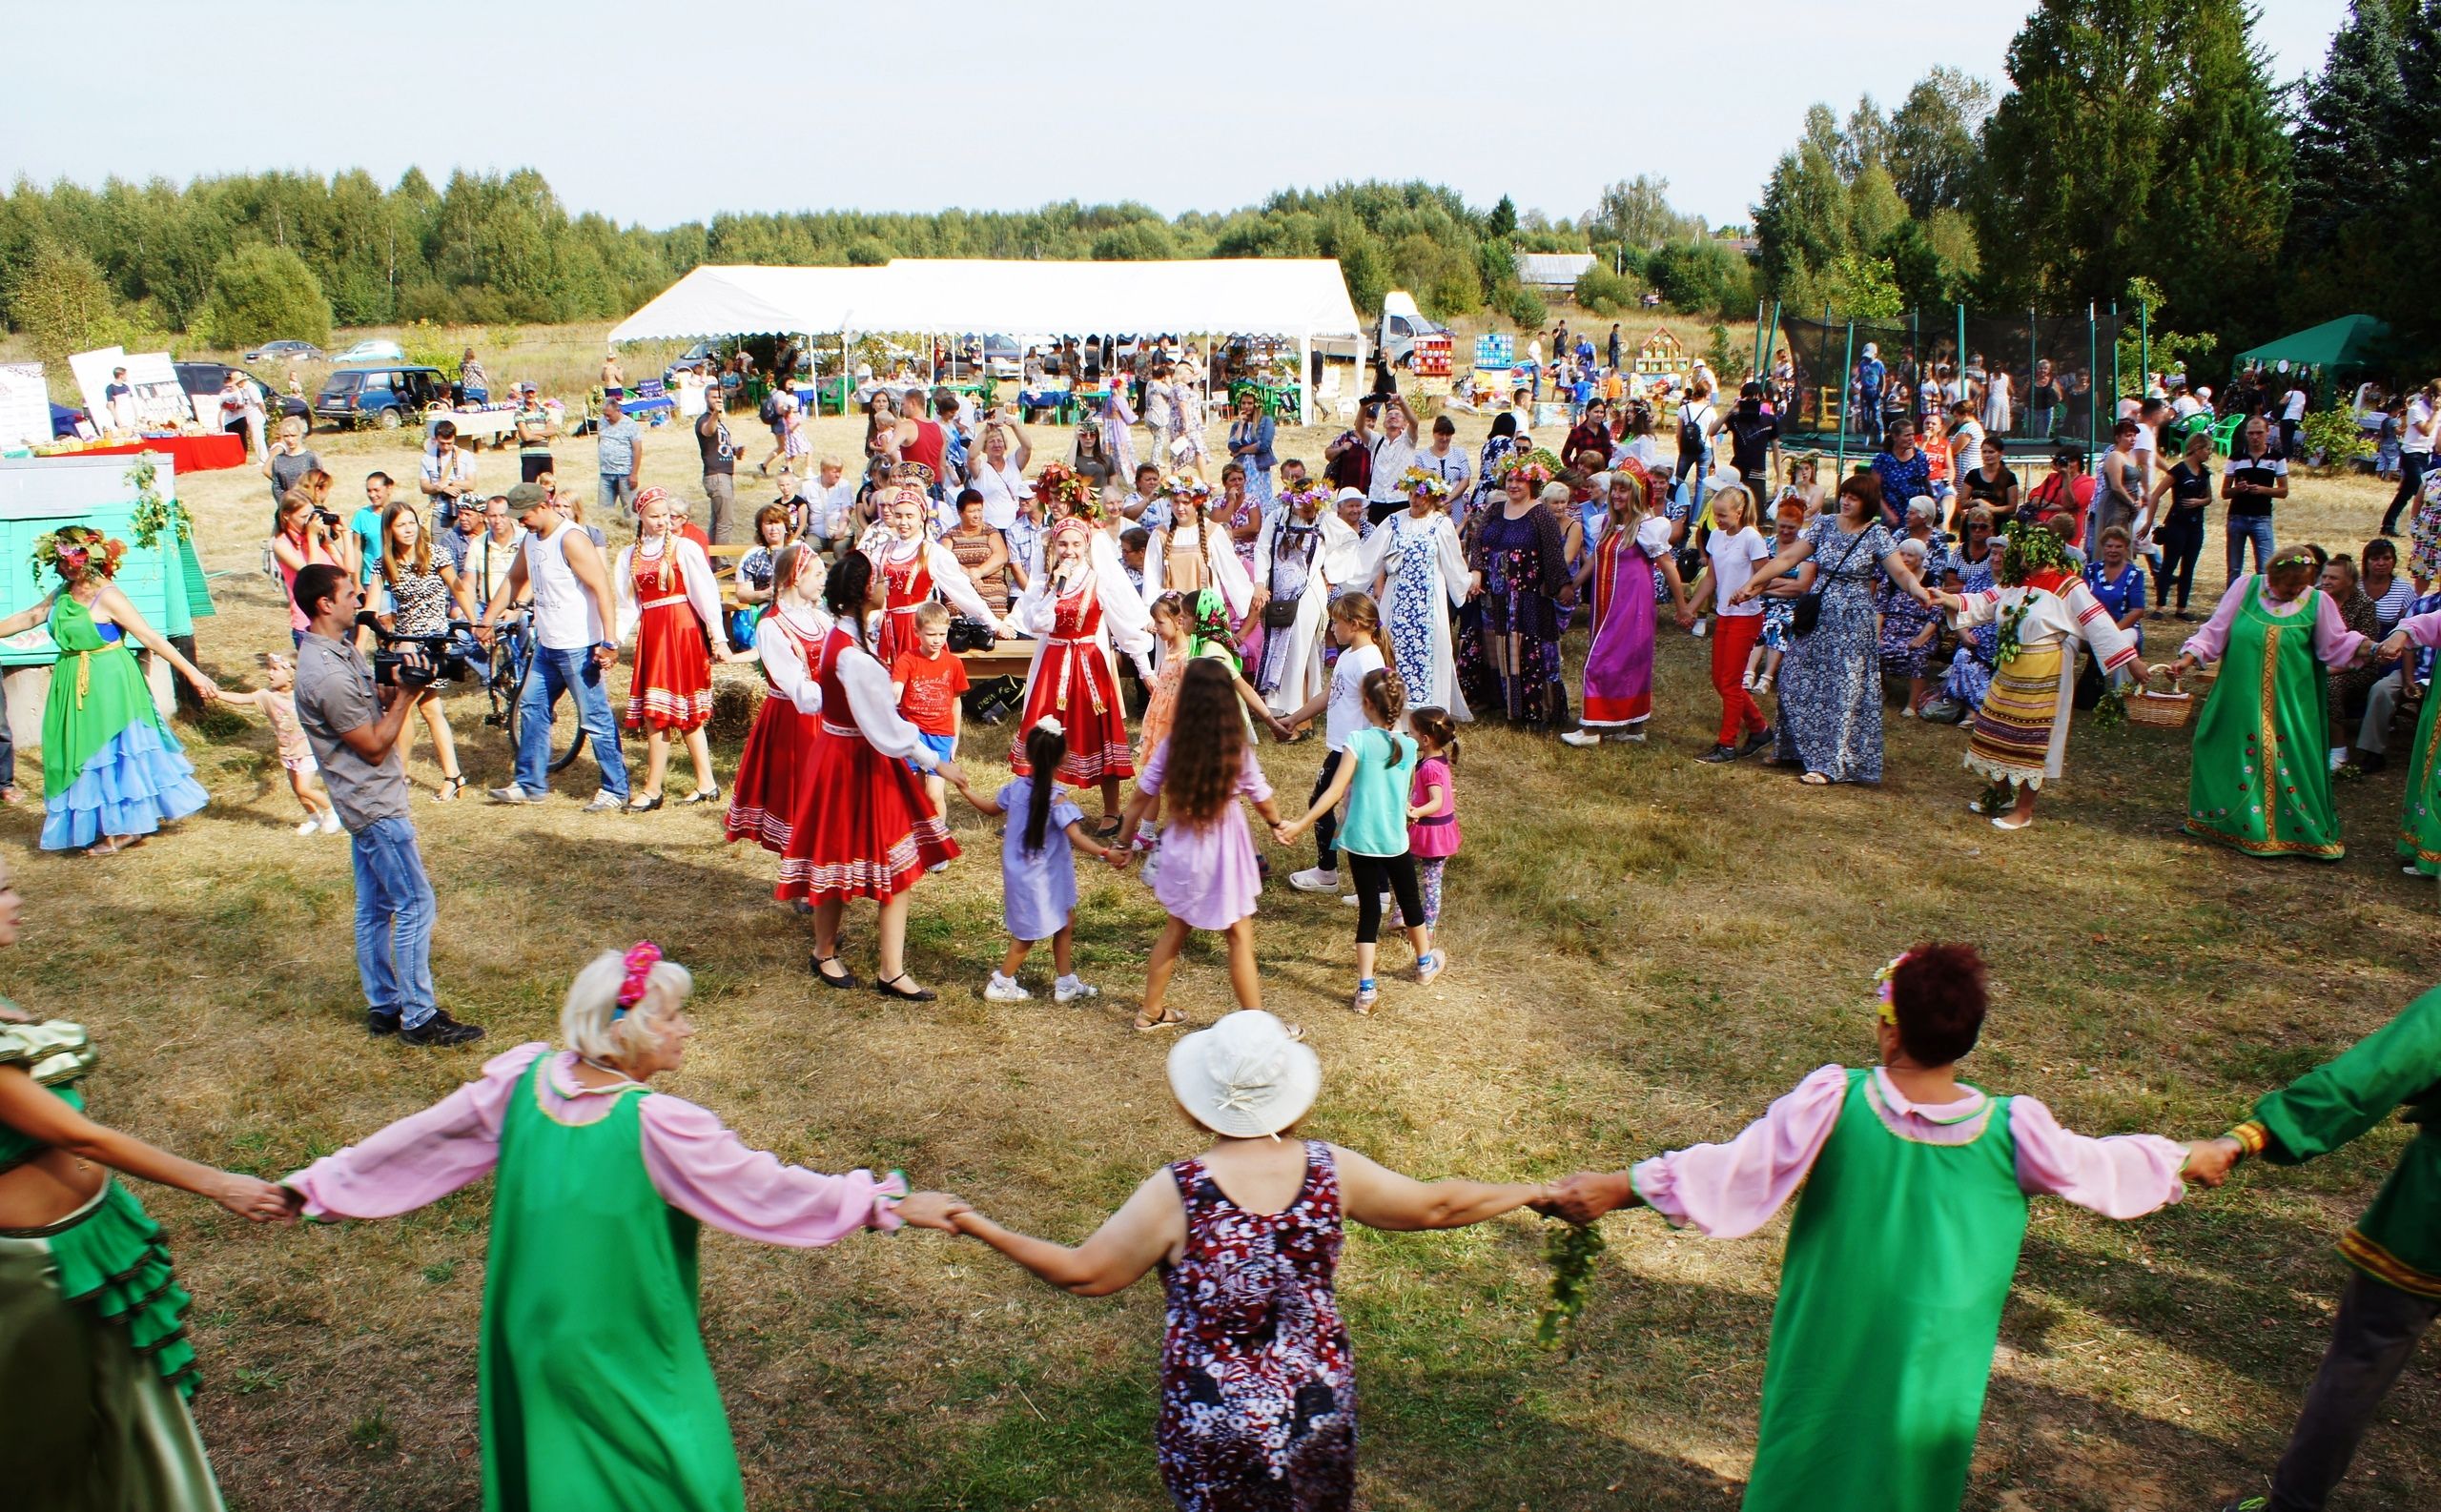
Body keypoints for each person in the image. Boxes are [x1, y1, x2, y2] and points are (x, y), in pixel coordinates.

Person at [280, 945, 956, 1511]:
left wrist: (319, 1186)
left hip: (529, 1328)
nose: (688, 1030)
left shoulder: (524, 1083)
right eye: (673, 1018)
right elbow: (767, 1189)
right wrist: (879, 1201)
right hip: (619, 1340)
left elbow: (418, 1142)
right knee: (683, 1473)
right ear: (625, 1030)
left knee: (557, 1466)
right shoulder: (658, 1125)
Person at [1541, 943, 2202, 1512]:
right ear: (1968, 1038)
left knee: (1813, 1439)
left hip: (1833, 1332)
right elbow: (2108, 1165)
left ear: (1890, 1032)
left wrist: (1619, 1187)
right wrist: (2195, 1157)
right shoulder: (2015, 1132)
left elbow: (1733, 1168)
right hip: (1936, 1354)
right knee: (1912, 1460)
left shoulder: (1838, 1103)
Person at [942, 1009, 1548, 1506]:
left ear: (1194, 1102)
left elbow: (1086, 1273)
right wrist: (1535, 1192)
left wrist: (973, 1223)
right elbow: (1436, 1206)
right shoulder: (1329, 1170)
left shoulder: (1179, 1192)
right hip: (1315, 1404)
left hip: (1216, 1418)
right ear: (1292, 1099)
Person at [0, 858, 295, 1512]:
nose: (16, 900)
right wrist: (221, 1184)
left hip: (94, 1240)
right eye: (1, 891)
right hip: (31, 1273)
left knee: (131, 1412)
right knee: (44, 1440)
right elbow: (82, 1137)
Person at [2181, 983, 2441, 1512]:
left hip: (2431, 1216)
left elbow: (2367, 1079)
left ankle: (2292, 1507)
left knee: (2363, 1358)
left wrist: (2245, 1139)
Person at [287, 562, 483, 1045]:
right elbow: (374, 745)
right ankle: (418, 1017)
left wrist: (392, 685)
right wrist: (408, 698)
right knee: (416, 903)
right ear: (324, 605)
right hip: (374, 806)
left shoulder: (339, 651)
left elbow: (367, 705)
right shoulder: (324, 673)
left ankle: (384, 1005)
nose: (360, 601)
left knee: (375, 908)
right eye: (350, 594)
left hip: (364, 802)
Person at [780, 553, 966, 999]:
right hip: (852, 762)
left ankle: (884, 967)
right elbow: (885, 728)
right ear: (866, 592)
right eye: (880, 579)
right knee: (856, 861)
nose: (887, 582)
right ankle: (838, 956)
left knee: (874, 862)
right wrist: (936, 761)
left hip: (842, 753)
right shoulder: (852, 655)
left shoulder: (842, 638)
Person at [0, 527, 217, 853]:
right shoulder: (63, 593)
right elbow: (31, 616)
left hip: (109, 678)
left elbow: (151, 637)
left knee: (112, 750)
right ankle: (100, 822)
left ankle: (127, 826)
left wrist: (193, 674)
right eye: (60, 560)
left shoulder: (108, 595)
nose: (64, 566)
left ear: (90, 558)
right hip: (71, 677)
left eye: (71, 559)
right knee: (83, 750)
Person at [2157, 546, 2374, 860]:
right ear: (2273, 577)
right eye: (2290, 586)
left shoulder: (2317, 602)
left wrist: (2369, 647)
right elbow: (2216, 630)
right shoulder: (2245, 589)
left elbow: (2335, 644)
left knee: (2285, 758)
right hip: (2240, 697)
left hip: (2290, 703)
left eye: (2302, 586)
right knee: (2224, 750)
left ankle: (2288, 832)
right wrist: (2188, 658)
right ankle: (2230, 823)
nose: (2296, 592)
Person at [1924, 521, 2142, 830]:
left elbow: (2099, 625)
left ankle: (2024, 809)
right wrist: (1943, 597)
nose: (2020, 555)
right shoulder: (2017, 583)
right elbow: (1984, 603)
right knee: (1997, 728)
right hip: (2011, 668)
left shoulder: (2069, 585)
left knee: (2033, 736)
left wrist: (2131, 663)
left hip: (2045, 670)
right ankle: (1999, 793)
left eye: (2024, 548)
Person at [1114, 662, 1289, 1030]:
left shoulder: (1172, 745)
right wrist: (1276, 824)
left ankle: (1150, 1011)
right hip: (1224, 855)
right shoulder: (1235, 749)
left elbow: (1137, 800)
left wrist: (1123, 843)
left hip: (1182, 851)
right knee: (1239, 936)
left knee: (1175, 929)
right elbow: (1262, 797)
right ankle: (1257, 1028)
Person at [1732, 472, 1935, 786]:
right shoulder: (1825, 524)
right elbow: (1787, 557)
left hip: (1852, 624)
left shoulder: (1876, 535)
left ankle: (1830, 763)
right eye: (1844, 495)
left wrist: (1919, 592)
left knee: (1841, 690)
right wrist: (1753, 584)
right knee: (1792, 677)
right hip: (1816, 616)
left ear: (1866, 503)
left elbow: (1901, 573)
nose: (1846, 501)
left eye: (1853, 497)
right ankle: (1791, 750)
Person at [1277, 666, 1445, 1012]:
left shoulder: (1357, 742)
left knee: (1369, 912)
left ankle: (1366, 989)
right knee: (1411, 903)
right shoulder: (1410, 746)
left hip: (1359, 842)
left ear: (1367, 703)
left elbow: (1334, 792)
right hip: (1395, 840)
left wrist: (1301, 823)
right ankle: (1425, 964)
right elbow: (1402, 793)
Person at [476, 482, 630, 812]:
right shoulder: (531, 540)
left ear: (543, 505)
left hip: (580, 645)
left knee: (596, 719)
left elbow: (602, 588)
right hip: (548, 645)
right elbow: (514, 580)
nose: (521, 523)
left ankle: (615, 788)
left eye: (525, 515)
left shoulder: (571, 539)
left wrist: (610, 641)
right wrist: (487, 619)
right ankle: (530, 783)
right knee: (531, 708)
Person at [951, 720, 1118, 1005]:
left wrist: (966, 789)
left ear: (1027, 755)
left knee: (1065, 921)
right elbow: (1077, 837)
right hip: (1040, 878)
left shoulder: (1016, 790)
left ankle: (1065, 983)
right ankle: (1001, 983)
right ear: (1064, 758)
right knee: (1027, 935)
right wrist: (1106, 853)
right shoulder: (1057, 799)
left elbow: (991, 810)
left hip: (1029, 875)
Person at [1010, 516, 1153, 828]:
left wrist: (1144, 668)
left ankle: (1111, 811)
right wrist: (1054, 591)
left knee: (1097, 730)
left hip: (1088, 663)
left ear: (1086, 546)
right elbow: (1036, 624)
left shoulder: (1098, 580)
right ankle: (1034, 808)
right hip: (1053, 662)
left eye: (1076, 544)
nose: (1069, 550)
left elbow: (1124, 623)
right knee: (1042, 733)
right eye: (1063, 544)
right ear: (1054, 546)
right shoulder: (1047, 582)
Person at [613, 487, 740, 811]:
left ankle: (655, 788)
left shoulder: (683, 548)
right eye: (654, 516)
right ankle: (705, 783)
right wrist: (611, 640)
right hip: (654, 632)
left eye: (665, 516)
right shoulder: (630, 555)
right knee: (661, 713)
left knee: (677, 714)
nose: (661, 522)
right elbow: (628, 605)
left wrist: (718, 636)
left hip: (680, 630)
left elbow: (705, 593)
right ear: (640, 517)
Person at [1561, 466, 1687, 747]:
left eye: (1623, 490)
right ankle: (1633, 725)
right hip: (1605, 604)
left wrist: (1682, 607)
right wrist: (1574, 585)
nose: (1616, 495)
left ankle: (1592, 728)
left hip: (1631, 604)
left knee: (1605, 660)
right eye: (1614, 489)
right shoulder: (1606, 523)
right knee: (1620, 660)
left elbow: (1668, 566)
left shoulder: (1646, 528)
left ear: (1636, 494)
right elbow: (1594, 560)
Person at [723, 543, 831, 855]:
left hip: (825, 716)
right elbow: (798, 689)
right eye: (818, 574)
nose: (824, 580)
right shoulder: (771, 625)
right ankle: (800, 880)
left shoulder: (819, 619)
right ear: (797, 577)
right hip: (792, 720)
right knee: (798, 795)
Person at [1458, 457, 1574, 729]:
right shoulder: (1495, 510)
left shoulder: (1540, 514)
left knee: (1527, 651)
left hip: (1528, 600)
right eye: (1509, 480)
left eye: (1519, 480)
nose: (1513, 485)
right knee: (1494, 648)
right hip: (1495, 598)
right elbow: (1477, 545)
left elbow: (1553, 553)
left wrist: (1562, 585)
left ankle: (1534, 711)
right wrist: (1476, 572)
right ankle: (1499, 702)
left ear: (1531, 482)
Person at [1359, 467, 1476, 724]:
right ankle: (1393, 711)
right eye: (1412, 493)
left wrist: (1466, 583)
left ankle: (1428, 716)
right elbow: (1368, 558)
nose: (1415, 499)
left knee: (1430, 654)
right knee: (1393, 653)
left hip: (1427, 604)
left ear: (1432, 497)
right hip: (1396, 601)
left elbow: (1454, 563)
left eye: (1421, 495)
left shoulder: (1441, 524)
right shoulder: (1394, 522)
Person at [375, 501, 474, 803]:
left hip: (432, 642)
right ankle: (453, 776)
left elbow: (457, 588)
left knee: (403, 707)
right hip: (404, 642)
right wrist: (366, 625)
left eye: (412, 523)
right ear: (390, 530)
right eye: (400, 525)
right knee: (429, 709)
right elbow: (371, 603)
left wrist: (475, 621)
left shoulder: (435, 554)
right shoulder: (385, 563)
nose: (408, 529)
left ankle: (399, 776)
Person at [863, 469, 1003, 668]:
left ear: (921, 518)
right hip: (889, 630)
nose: (903, 522)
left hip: (919, 630)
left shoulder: (932, 552)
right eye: (899, 516)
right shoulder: (884, 551)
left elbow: (961, 590)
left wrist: (992, 621)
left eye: (909, 516)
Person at [1683, 482, 1776, 762]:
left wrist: (1749, 590)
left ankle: (1727, 745)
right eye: (1715, 514)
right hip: (1724, 614)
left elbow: (1766, 577)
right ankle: (1760, 729)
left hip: (1746, 617)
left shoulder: (1751, 538)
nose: (1718, 520)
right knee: (1720, 680)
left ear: (1740, 511)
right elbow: (1711, 577)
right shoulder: (1717, 537)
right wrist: (1690, 607)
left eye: (1723, 515)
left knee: (1731, 683)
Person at [1250, 478, 1357, 713]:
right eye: (1304, 505)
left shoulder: (1323, 519)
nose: (1309, 509)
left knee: (1301, 648)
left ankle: (1296, 710)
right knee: (1285, 647)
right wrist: (1259, 582)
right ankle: (1296, 707)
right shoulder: (1276, 517)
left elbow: (1350, 539)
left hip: (1308, 592)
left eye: (1312, 505)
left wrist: (1328, 569)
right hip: (1280, 594)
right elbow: (1262, 548)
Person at [219, 652, 338, 835]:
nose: (269, 673)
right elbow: (242, 699)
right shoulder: (266, 695)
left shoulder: (303, 695)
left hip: (307, 749)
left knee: (303, 787)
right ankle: (314, 817)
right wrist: (216, 694)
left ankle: (331, 813)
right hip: (287, 750)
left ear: (292, 675)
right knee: (297, 790)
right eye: (269, 669)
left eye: (275, 669)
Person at [2146, 428, 2214, 617]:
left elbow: (2209, 497)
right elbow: (2156, 494)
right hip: (2177, 524)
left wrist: (2199, 502)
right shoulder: (2179, 470)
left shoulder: (2204, 473)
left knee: (2189, 566)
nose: (2210, 453)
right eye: (2208, 449)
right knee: (2169, 564)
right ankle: (2160, 606)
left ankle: (2181, 608)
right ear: (2197, 448)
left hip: (2195, 525)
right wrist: (2149, 522)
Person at [2224, 415, 2287, 581]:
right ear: (2246, 434)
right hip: (2237, 516)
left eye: (2259, 433)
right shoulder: (2236, 457)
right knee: (2234, 568)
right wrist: (2237, 489)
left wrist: (2262, 490)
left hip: (2262, 517)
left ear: (2268, 432)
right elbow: (2224, 492)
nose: (2255, 437)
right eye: (2251, 433)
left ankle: (2263, 603)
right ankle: (2233, 603)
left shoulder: (2277, 457)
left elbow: (2283, 491)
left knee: (2265, 568)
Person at [1362, 395, 1422, 525]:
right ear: (1383, 423)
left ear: (1404, 424)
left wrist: (1402, 403)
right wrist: (1363, 407)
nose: (1393, 416)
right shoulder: (1376, 440)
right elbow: (1360, 428)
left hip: (1400, 498)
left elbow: (1415, 423)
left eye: (1398, 415)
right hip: (1378, 498)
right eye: (1389, 415)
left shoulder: (1408, 440)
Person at [693, 386, 739, 544]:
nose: (718, 400)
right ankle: (722, 562)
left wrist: (735, 451)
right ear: (706, 399)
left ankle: (711, 559)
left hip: (725, 473)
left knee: (717, 521)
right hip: (716, 475)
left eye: (720, 398)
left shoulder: (720, 422)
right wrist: (715, 414)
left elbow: (718, 445)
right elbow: (708, 431)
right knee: (726, 522)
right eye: (714, 397)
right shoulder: (704, 420)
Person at [1868, 416, 1932, 527]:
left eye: (1912, 434)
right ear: (1895, 437)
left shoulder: (1919, 456)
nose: (1911, 438)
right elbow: (1874, 490)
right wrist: (1887, 512)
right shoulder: (1883, 459)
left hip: (1917, 514)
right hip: (1894, 515)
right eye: (1907, 435)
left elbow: (1926, 483)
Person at [419, 421, 479, 530]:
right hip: (438, 512)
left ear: (454, 438)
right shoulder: (427, 458)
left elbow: (471, 484)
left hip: (463, 512)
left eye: (449, 443)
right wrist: (440, 488)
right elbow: (424, 487)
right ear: (436, 439)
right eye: (442, 443)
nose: (446, 447)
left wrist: (450, 484)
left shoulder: (465, 455)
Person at [1224, 389, 1277, 509]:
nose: (1246, 406)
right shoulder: (1237, 425)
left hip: (1258, 467)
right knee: (1241, 497)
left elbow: (1263, 445)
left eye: (1249, 403)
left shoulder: (1266, 421)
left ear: (1255, 404)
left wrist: (1241, 451)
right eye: (1243, 403)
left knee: (1258, 498)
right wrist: (1241, 425)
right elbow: (1232, 446)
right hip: (1241, 466)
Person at [596, 395, 643, 521]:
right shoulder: (601, 421)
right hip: (606, 473)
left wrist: (634, 474)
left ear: (618, 410)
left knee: (630, 511)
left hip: (625, 474)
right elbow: (600, 440)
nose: (607, 417)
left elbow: (637, 449)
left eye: (609, 415)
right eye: (605, 414)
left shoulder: (631, 425)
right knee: (603, 512)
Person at [262, 414, 318, 512]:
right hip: (287, 509)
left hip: (308, 507)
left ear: (300, 435)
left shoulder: (310, 457)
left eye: (293, 435)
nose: (290, 440)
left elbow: (319, 483)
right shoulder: (279, 460)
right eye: (286, 436)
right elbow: (277, 486)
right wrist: (286, 504)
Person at [513, 384, 552, 483]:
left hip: (545, 455)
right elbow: (526, 437)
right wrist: (544, 435)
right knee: (529, 489)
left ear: (536, 393)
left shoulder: (544, 410)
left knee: (549, 488)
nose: (530, 395)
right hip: (529, 456)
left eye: (532, 392)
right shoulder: (519, 412)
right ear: (523, 394)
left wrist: (533, 432)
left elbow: (552, 430)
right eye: (527, 392)